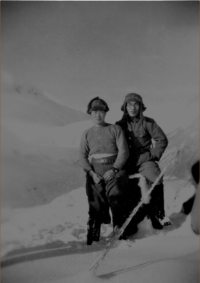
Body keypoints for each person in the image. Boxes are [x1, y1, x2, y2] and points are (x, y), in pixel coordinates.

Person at [116, 93, 171, 231]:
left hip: (144, 161)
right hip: (126, 162)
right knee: (119, 181)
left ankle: (159, 214)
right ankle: (123, 220)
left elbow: (162, 139)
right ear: (125, 107)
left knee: (156, 178)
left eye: (136, 104)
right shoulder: (119, 125)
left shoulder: (148, 122)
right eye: (129, 104)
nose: (132, 107)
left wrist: (153, 155)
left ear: (141, 107)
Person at [79, 97, 130, 245]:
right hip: (95, 170)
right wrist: (91, 173)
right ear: (90, 113)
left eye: (101, 111)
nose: (98, 115)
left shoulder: (115, 129)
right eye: (94, 111)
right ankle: (93, 233)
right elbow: (82, 156)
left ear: (105, 112)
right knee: (94, 200)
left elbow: (124, 152)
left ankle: (119, 231)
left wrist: (114, 169)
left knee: (116, 197)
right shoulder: (86, 134)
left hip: (115, 168)